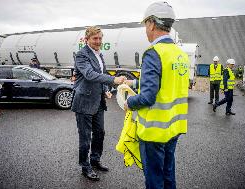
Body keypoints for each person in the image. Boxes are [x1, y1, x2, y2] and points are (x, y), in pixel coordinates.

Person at [124, 2, 189, 188]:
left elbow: (147, 97)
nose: (146, 29)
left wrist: (129, 101)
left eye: (145, 24)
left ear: (152, 23)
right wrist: (134, 82)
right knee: (168, 175)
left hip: (154, 131)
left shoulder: (153, 53)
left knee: (154, 180)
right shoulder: (180, 54)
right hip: (174, 127)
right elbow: (167, 83)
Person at [71, 26, 126, 181]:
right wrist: (113, 80)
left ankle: (95, 160)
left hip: (98, 101)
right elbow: (89, 74)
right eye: (95, 38)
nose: (98, 41)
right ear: (87, 39)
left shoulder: (99, 55)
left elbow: (101, 75)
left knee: (100, 133)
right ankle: (85, 166)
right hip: (84, 102)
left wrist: (106, 88)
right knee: (85, 137)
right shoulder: (82, 55)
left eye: (100, 38)